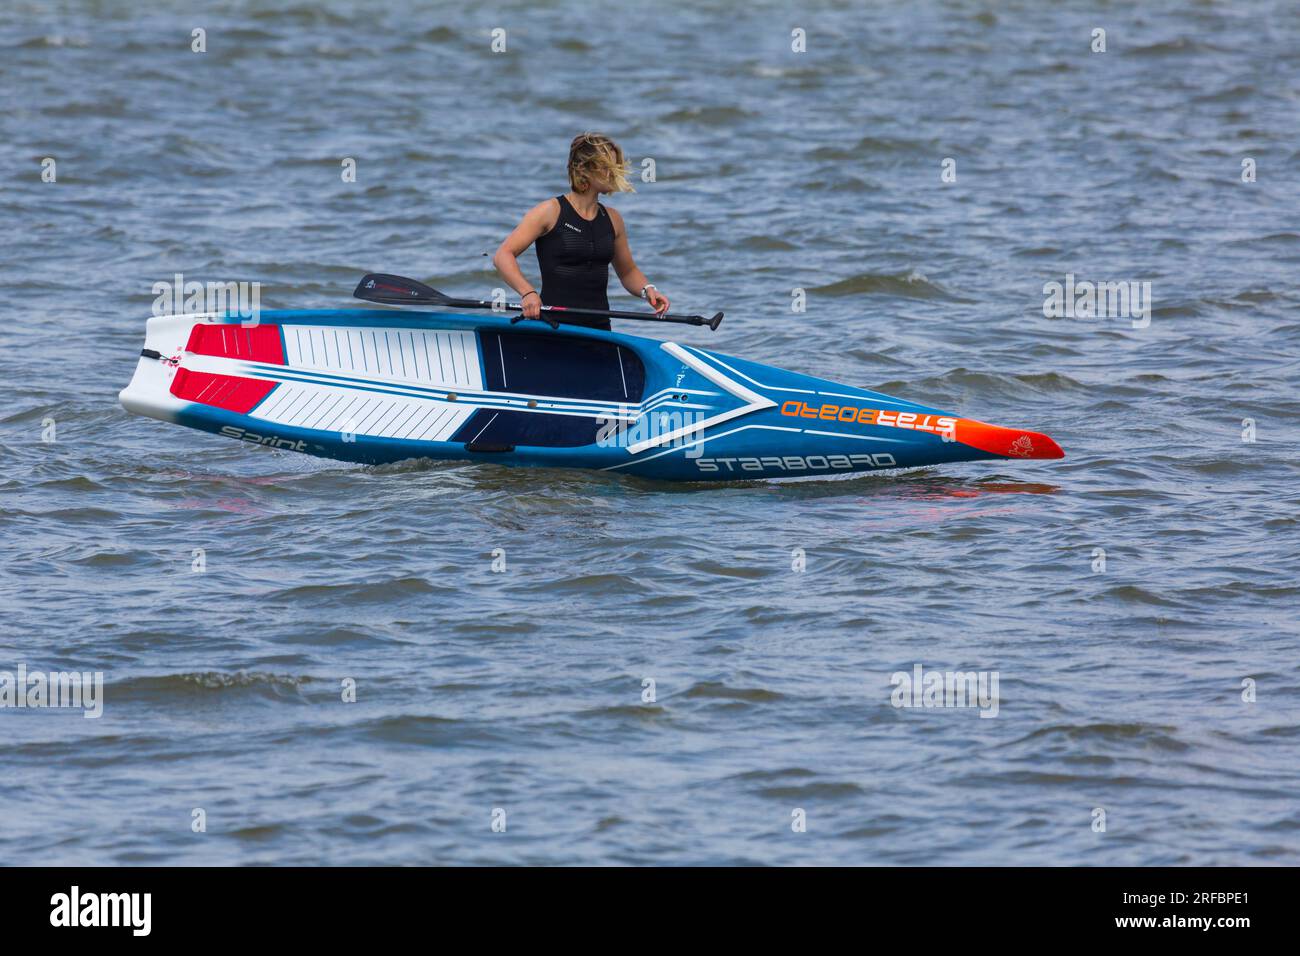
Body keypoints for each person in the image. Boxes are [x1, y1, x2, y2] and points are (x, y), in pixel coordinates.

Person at [492, 132, 669, 331]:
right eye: (607, 166)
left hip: (600, 329)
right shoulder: (549, 212)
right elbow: (503, 255)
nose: (615, 172)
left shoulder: (613, 219)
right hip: (554, 327)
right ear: (584, 169)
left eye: (616, 165)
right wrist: (528, 293)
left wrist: (648, 290)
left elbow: (628, 272)